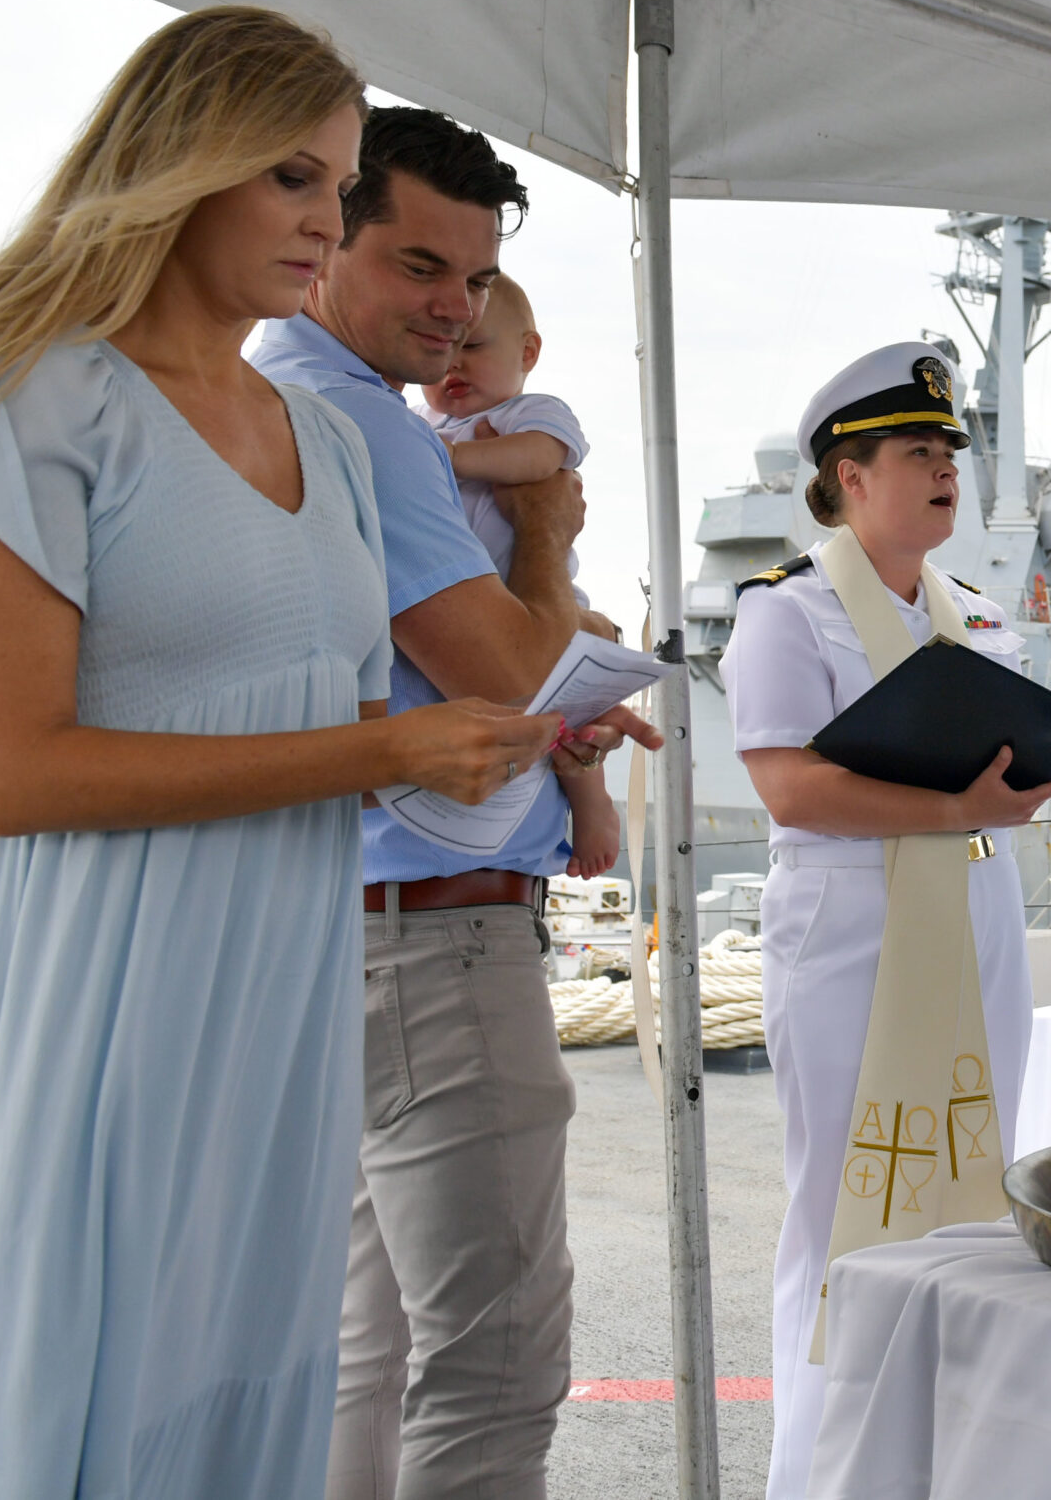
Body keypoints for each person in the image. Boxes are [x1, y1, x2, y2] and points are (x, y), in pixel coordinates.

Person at [0, 7, 559, 1500]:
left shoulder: (326, 434)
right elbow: (14, 771)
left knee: (252, 1391)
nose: (326, 220)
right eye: (293, 178)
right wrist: (378, 744)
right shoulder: (17, 389)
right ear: (182, 163)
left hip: (278, 989)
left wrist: (457, 743)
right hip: (93, 988)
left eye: (337, 183)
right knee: (89, 1393)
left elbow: (316, 719)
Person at [250, 106, 655, 1498]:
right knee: (489, 1369)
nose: (451, 309)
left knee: (364, 1350)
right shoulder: (364, 418)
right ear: (324, 246)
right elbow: (513, 669)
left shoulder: (266, 386)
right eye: (419, 264)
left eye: (476, 280)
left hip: (327, 926)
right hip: (436, 940)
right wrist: (546, 540)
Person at [722, 343, 1051, 1500]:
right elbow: (787, 785)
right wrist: (953, 801)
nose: (944, 469)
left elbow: (1007, 765)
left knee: (981, 1181)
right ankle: (821, 1473)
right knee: (844, 1206)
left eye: (950, 451)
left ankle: (948, 1460)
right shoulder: (786, 615)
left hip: (974, 910)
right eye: (918, 451)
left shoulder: (975, 616)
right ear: (847, 475)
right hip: (850, 926)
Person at [416, 273, 622, 875]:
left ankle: (591, 802)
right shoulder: (417, 427)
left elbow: (538, 460)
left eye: (473, 345)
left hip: (538, 597)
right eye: (443, 348)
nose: (453, 363)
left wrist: (449, 458)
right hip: (470, 602)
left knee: (573, 717)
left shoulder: (531, 413)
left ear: (527, 353)